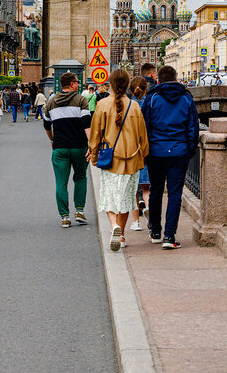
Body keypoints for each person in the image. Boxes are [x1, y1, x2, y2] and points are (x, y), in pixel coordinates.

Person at [87, 68, 149, 252]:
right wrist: (142, 157)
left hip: (110, 160)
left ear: (111, 85)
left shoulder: (102, 105)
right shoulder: (135, 106)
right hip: (131, 161)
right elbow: (143, 138)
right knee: (126, 199)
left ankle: (114, 226)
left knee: (109, 197)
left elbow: (95, 134)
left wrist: (94, 155)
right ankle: (121, 235)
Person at [140, 65, 201, 249]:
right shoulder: (186, 98)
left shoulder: (152, 98)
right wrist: (189, 149)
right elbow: (193, 127)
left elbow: (145, 126)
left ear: (157, 80)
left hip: (156, 152)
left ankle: (155, 232)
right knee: (175, 194)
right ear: (176, 79)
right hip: (178, 151)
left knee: (156, 190)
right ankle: (169, 237)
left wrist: (147, 150)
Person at [43, 72, 92, 227]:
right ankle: (79, 211)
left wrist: (52, 140)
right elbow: (86, 124)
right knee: (80, 178)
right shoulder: (81, 100)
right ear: (71, 84)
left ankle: (64, 217)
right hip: (79, 147)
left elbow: (46, 125)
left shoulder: (51, 102)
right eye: (77, 82)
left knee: (61, 183)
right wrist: (91, 144)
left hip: (60, 148)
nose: (78, 84)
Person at [129, 76, 151, 231]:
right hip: (148, 149)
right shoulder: (151, 103)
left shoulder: (128, 105)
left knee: (133, 191)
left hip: (131, 150)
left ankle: (136, 222)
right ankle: (149, 208)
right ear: (146, 89)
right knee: (146, 188)